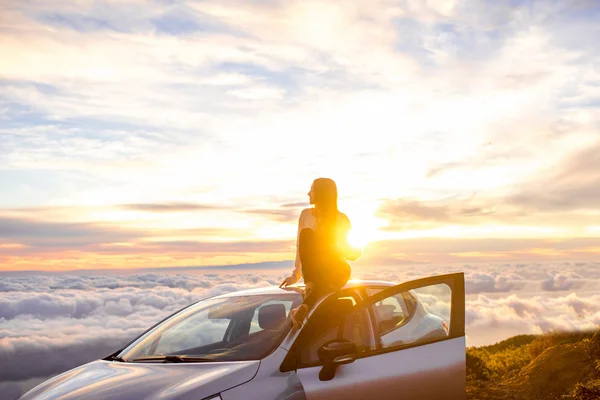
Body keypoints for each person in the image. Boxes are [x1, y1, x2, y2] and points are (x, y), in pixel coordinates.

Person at [280, 178, 362, 329]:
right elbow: (301, 247)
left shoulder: (341, 219)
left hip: (336, 270)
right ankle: (307, 301)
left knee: (321, 280)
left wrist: (348, 248)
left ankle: (306, 303)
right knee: (306, 235)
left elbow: (351, 254)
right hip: (314, 273)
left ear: (323, 193)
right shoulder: (306, 215)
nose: (308, 193)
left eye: (312, 190)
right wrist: (296, 275)